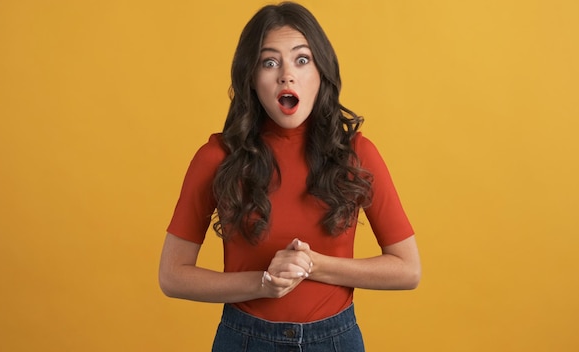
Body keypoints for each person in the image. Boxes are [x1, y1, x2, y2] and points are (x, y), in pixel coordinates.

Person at [159, 2, 421, 351]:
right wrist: (264, 284)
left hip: (336, 341)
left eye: (301, 59)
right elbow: (172, 276)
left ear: (320, 72)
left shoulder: (357, 154)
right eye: (269, 62)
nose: (286, 74)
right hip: (244, 340)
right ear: (250, 78)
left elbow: (407, 269)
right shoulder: (216, 158)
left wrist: (313, 265)